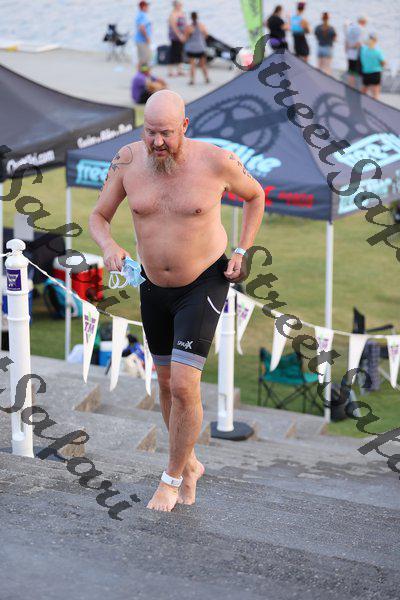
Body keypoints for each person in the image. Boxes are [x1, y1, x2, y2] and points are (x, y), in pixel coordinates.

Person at [88, 90, 265, 512]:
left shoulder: (218, 161)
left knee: (185, 385)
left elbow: (256, 195)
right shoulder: (127, 161)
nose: (157, 142)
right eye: (150, 132)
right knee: (166, 385)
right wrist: (109, 245)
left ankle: (170, 479)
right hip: (152, 285)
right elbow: (98, 216)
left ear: (184, 126)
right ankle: (189, 464)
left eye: (166, 133)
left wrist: (242, 250)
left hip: (203, 282)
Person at [183, 12, 210, 85]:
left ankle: (192, 80)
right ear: (197, 17)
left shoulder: (189, 27)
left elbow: (185, 38)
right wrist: (201, 40)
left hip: (191, 48)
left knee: (192, 65)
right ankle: (206, 78)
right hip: (200, 47)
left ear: (191, 18)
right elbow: (206, 35)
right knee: (203, 64)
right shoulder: (201, 25)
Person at [360, 33, 385, 99]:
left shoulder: (363, 49)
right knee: (375, 92)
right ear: (375, 40)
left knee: (364, 90)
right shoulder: (377, 50)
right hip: (376, 72)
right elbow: (383, 62)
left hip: (366, 72)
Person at [345, 15, 368, 88]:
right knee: (358, 74)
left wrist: (348, 49)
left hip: (350, 54)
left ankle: (350, 88)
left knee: (351, 72)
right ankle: (357, 89)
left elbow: (346, 41)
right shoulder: (361, 29)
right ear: (363, 21)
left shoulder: (350, 28)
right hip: (357, 55)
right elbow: (359, 43)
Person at [167, 1, 186, 77]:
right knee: (173, 52)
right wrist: (179, 35)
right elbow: (174, 27)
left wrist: (185, 35)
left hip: (182, 36)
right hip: (175, 37)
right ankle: (170, 71)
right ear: (176, 5)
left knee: (180, 53)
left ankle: (180, 70)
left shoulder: (181, 13)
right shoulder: (173, 14)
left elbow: (185, 24)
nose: (181, 6)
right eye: (179, 5)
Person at [135, 0, 152, 68]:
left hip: (140, 40)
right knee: (145, 58)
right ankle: (142, 73)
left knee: (142, 58)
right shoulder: (142, 15)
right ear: (143, 7)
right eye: (147, 6)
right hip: (142, 40)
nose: (148, 8)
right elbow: (142, 28)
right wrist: (147, 37)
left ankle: (140, 73)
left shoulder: (141, 15)